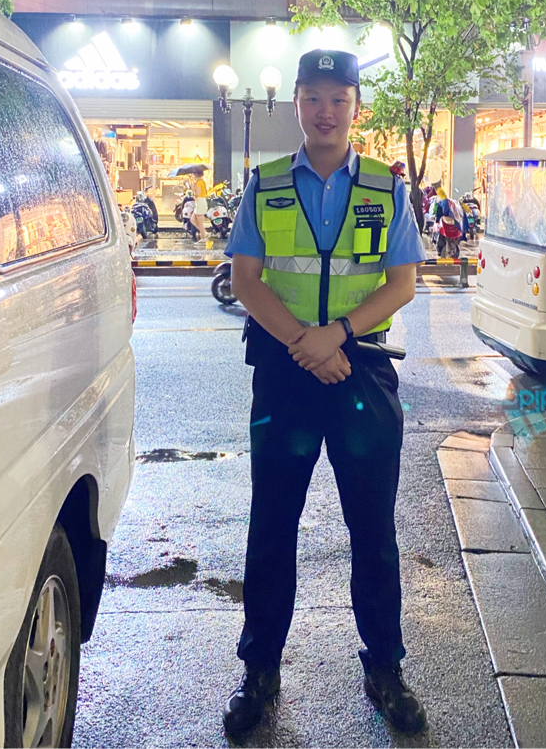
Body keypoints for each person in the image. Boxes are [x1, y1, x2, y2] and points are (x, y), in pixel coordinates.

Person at [222, 48, 428, 738]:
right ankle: (259, 671)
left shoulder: (385, 188)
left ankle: (385, 669)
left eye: (339, 99)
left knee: (372, 530)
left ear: (355, 109)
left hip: (360, 371)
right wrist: (305, 344)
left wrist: (335, 336)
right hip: (286, 371)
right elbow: (246, 280)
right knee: (271, 526)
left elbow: (402, 283)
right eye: (313, 97)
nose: (325, 111)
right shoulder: (266, 184)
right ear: (297, 105)